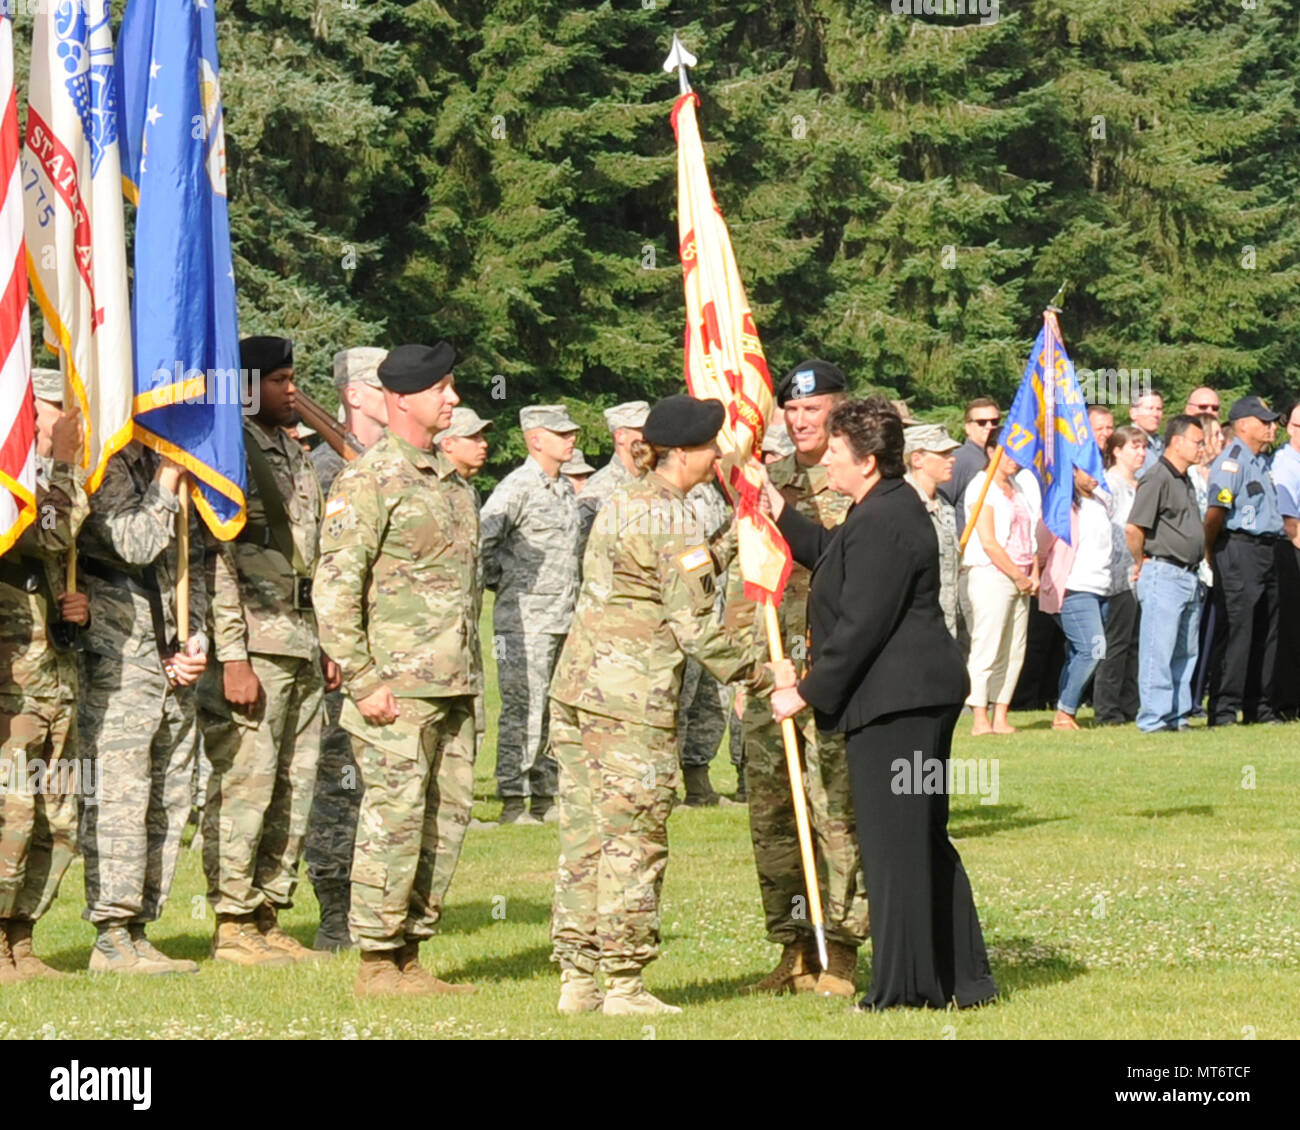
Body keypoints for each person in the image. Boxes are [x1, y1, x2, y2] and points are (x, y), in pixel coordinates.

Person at [548, 394, 788, 1016]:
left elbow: (670, 575)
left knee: (586, 837)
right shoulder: (673, 520)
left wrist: (735, 537)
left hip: (579, 690)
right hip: (631, 702)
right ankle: (624, 982)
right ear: (684, 453)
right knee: (634, 839)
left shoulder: (626, 501)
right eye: (712, 448)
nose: (719, 457)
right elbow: (696, 628)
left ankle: (577, 978)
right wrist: (765, 676)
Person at [765, 396, 996, 1012]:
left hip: (902, 706)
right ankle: (958, 977)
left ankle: (906, 988)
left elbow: (862, 624)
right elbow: (830, 552)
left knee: (898, 844)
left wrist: (803, 693)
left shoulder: (888, 519)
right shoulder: (878, 510)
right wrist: (777, 511)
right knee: (917, 838)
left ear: (867, 461)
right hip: (906, 700)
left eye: (837, 453)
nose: (829, 463)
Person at [313, 341, 478, 998]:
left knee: (446, 818)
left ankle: (410, 951)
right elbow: (334, 588)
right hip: (395, 689)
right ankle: (376, 961)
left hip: (454, 682)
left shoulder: (449, 480)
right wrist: (363, 679)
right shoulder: (368, 478)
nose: (455, 399)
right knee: (395, 816)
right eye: (443, 389)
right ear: (404, 398)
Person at [725, 359, 871, 1000]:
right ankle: (793, 947)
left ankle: (839, 948)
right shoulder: (763, 485)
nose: (800, 419)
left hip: (831, 676)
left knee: (836, 812)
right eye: (792, 408)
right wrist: (740, 669)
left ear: (840, 412)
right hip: (770, 672)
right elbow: (741, 579)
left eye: (814, 409)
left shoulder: (864, 485)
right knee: (774, 815)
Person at [200, 336, 332, 966]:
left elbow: (317, 553)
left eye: (292, 378)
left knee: (293, 782)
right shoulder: (233, 452)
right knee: (245, 783)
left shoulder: (294, 452)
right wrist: (232, 654)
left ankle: (267, 910)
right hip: (253, 641)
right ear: (247, 385)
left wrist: (329, 639)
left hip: (302, 638)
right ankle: (231, 921)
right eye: (279, 380)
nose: (292, 391)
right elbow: (217, 560)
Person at [77, 439, 208, 974]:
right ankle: (111, 933)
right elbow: (132, 543)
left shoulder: (168, 461)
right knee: (120, 795)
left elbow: (190, 559)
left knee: (170, 794)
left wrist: (193, 638)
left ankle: (139, 927)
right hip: (118, 655)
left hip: (169, 653)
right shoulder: (103, 462)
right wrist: (166, 481)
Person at [0, 371, 87, 982]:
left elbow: (56, 558)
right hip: (14, 687)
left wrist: (74, 609)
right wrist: (63, 462)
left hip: (56, 678)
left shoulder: (48, 484)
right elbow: (50, 531)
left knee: (58, 818)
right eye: (53, 412)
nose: (62, 423)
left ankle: (21, 938)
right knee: (10, 814)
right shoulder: (13, 489)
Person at [304, 346, 388, 949]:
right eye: (384, 386)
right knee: (338, 777)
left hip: (400, 649)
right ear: (354, 394)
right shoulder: (324, 469)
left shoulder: (398, 465)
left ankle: (383, 903)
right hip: (342, 651)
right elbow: (319, 569)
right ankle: (336, 907)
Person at [479, 405, 583, 825]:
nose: (571, 440)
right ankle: (512, 798)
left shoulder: (561, 490)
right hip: (523, 622)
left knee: (554, 709)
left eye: (571, 433)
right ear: (535, 439)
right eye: (561, 434)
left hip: (562, 617)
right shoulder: (517, 487)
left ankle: (545, 794)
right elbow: (484, 541)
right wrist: (502, 583)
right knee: (524, 708)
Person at [1204, 396, 1285, 726]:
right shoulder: (1232, 462)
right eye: (1264, 422)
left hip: (1267, 549)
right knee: (1238, 629)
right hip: (1239, 548)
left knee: (1267, 629)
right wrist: (1211, 552)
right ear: (1243, 425)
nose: (1271, 428)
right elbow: (1215, 515)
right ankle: (1224, 709)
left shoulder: (1261, 462)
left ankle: (1258, 706)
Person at [1125, 414, 1206, 733]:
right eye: (1197, 442)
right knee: (1158, 649)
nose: (1201, 448)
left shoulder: (1183, 478)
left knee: (1185, 651)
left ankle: (1176, 715)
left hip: (1188, 574)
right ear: (1177, 441)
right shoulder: (1157, 477)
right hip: (1164, 570)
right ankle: (1154, 719)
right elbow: (1134, 527)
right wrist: (1140, 561)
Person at [962, 429, 1040, 736]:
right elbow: (989, 542)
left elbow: (1029, 535)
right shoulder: (980, 488)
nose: (1013, 461)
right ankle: (979, 715)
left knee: (1014, 648)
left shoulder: (1019, 487)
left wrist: (1032, 573)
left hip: (1022, 576)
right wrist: (1018, 576)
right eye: (1007, 452)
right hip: (993, 574)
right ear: (991, 451)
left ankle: (1001, 714)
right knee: (988, 645)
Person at [436, 406, 494, 807]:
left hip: (465, 642)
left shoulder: (466, 491)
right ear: (447, 443)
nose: (484, 444)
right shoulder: (429, 487)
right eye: (473, 437)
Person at [1037, 467, 1115, 730]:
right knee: (1092, 648)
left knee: (1077, 652)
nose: (1095, 475)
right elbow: (1042, 543)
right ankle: (1065, 712)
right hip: (1073, 586)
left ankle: (1063, 708)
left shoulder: (1101, 502)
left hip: (1101, 587)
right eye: (1088, 469)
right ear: (1072, 472)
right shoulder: (1062, 504)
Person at [676, 477, 736, 807]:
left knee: (711, 702)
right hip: (685, 615)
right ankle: (664, 785)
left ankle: (698, 781)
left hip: (716, 611)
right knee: (679, 703)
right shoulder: (672, 495)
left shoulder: (712, 492)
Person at [1091, 425, 1147, 724]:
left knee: (1136, 642)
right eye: (1134, 447)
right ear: (1116, 451)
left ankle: (1129, 704)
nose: (1141, 453)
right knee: (1116, 643)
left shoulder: (1140, 484)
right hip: (1118, 574)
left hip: (1140, 572)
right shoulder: (1108, 485)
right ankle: (1107, 708)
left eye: (1143, 447)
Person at [903, 423, 961, 637]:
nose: (952, 458)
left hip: (945, 624)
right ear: (917, 459)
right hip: (916, 628)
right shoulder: (902, 505)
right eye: (943, 453)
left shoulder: (944, 505)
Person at [310, 347, 389, 491]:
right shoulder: (327, 464)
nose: (394, 396)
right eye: (382, 389)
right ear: (353, 396)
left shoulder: (394, 451)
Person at [578, 401, 649, 547]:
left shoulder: (656, 480)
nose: (650, 436)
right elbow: (580, 548)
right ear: (620, 436)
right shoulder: (598, 489)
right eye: (642, 430)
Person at [1272, 401, 1300, 720]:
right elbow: (1289, 521)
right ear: (1291, 428)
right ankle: (1285, 703)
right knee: (1292, 632)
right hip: (1291, 551)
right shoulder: (1285, 465)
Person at [1131, 392, 1165, 475]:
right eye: (1150, 408)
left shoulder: (1163, 443)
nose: (1155, 414)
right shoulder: (1127, 443)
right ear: (1133, 413)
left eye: (1159, 409)